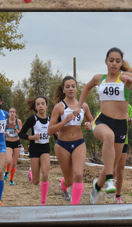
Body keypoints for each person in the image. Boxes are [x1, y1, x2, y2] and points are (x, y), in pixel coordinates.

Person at [74, 47, 132, 204]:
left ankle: (97, 186)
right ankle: (110, 181)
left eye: (118, 61)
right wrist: (79, 106)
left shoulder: (125, 78)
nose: (114, 63)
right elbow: (87, 87)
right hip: (102, 121)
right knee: (108, 137)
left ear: (121, 63)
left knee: (113, 163)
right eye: (111, 60)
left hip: (120, 125)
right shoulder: (100, 78)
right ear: (106, 61)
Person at [47, 76, 92, 205]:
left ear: (77, 89)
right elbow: (50, 131)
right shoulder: (59, 107)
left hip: (79, 143)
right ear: (63, 90)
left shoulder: (84, 106)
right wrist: (65, 121)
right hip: (62, 146)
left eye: (73, 86)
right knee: (69, 180)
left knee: (78, 175)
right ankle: (63, 186)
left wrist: (90, 125)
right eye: (68, 87)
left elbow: (92, 121)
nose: (71, 89)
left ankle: (75, 208)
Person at [18, 96, 52, 205]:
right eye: (38, 104)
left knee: (45, 174)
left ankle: (43, 202)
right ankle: (31, 173)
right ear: (35, 107)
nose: (40, 106)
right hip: (34, 149)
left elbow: (56, 134)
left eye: (42, 103)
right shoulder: (32, 119)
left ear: (47, 105)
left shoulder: (50, 119)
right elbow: (21, 133)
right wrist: (31, 137)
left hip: (45, 148)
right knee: (36, 181)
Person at [113, 105, 132, 204]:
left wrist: (129, 119)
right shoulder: (107, 103)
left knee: (120, 170)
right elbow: (97, 121)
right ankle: (103, 185)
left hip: (123, 140)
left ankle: (118, 196)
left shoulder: (127, 106)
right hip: (109, 140)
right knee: (111, 169)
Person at [3, 107, 22, 185]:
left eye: (14, 112)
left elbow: (21, 133)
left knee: (14, 163)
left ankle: (11, 180)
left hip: (16, 142)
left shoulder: (18, 121)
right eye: (10, 111)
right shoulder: (5, 121)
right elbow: (2, 132)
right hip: (8, 142)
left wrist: (15, 128)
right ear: (8, 113)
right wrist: (4, 133)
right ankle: (7, 171)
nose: (12, 113)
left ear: (15, 114)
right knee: (9, 160)